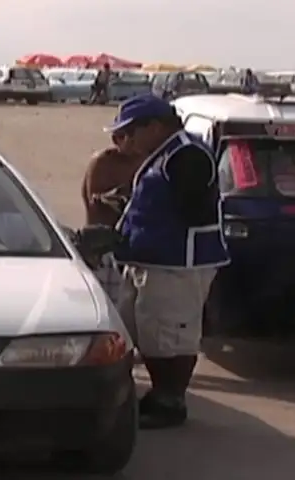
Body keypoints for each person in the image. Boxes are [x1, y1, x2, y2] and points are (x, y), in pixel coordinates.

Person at [104, 94, 230, 429]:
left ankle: (170, 401)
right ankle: (160, 394)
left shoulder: (186, 155)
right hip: (152, 259)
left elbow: (191, 209)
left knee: (170, 336)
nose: (125, 141)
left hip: (178, 263)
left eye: (130, 132)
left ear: (155, 126)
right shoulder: (166, 154)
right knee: (142, 330)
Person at [81, 132, 144, 304]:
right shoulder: (103, 162)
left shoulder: (146, 160)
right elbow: (96, 202)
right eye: (126, 137)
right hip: (103, 249)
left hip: (134, 250)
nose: (132, 142)